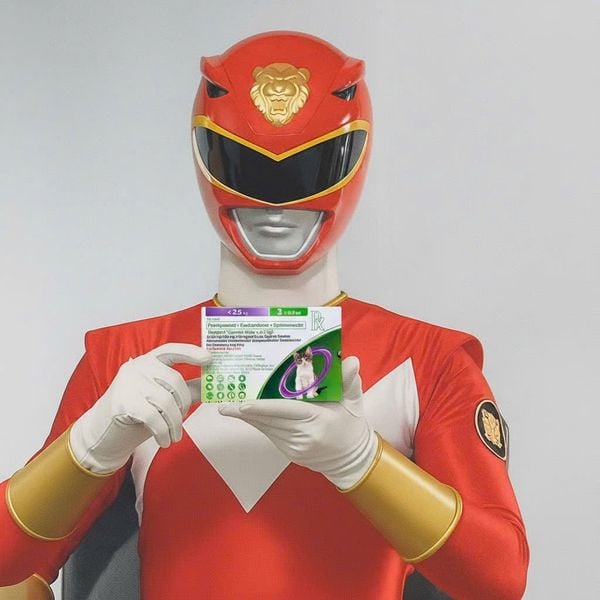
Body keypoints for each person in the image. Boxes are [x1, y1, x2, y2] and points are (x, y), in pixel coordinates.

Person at [0, 31, 529, 599]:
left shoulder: (429, 361)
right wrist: (89, 447)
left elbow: (499, 576)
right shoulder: (124, 358)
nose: (275, 205)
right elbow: (10, 567)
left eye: (307, 171)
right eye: (247, 169)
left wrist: (363, 462)